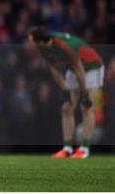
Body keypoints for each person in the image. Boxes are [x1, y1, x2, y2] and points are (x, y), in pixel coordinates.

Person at [28, 26, 104, 158]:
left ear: (40, 40)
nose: (29, 42)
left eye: (31, 39)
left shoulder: (64, 45)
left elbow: (79, 67)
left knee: (86, 107)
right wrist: (63, 86)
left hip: (92, 67)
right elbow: (53, 67)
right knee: (66, 108)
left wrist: (84, 92)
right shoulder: (43, 47)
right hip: (74, 69)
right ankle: (67, 148)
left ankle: (84, 149)